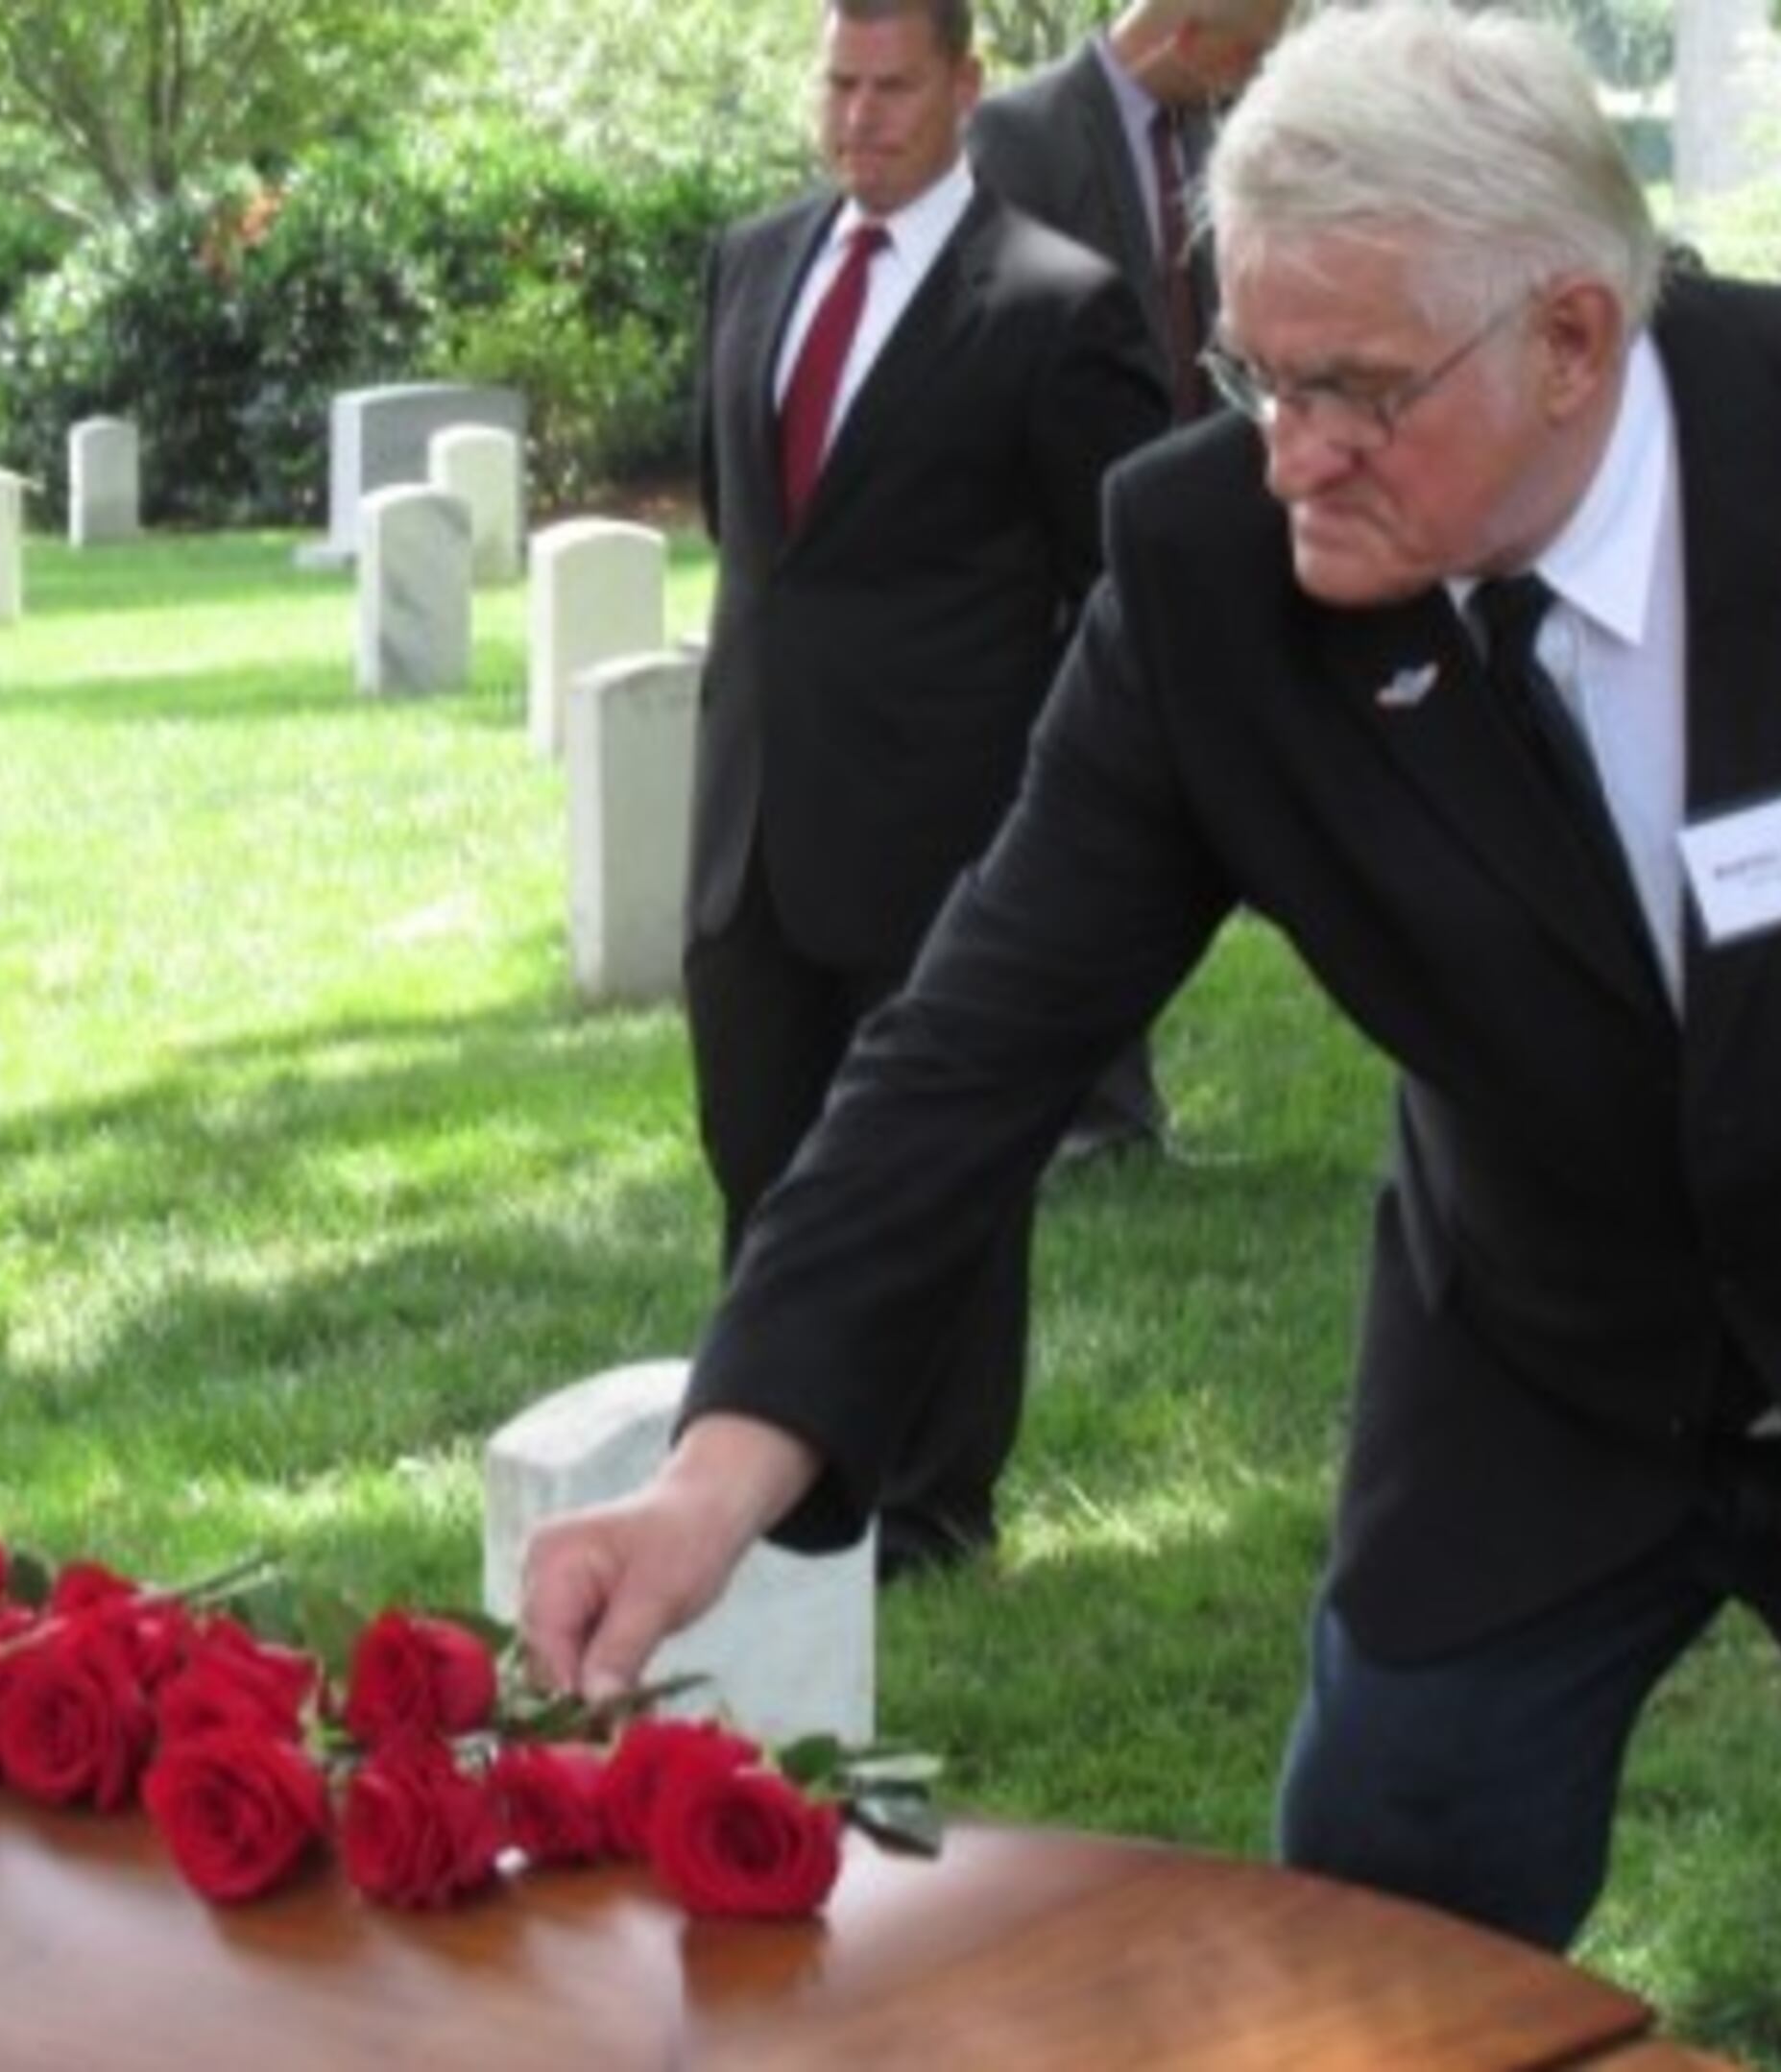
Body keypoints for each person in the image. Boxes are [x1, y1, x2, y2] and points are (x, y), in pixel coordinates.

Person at [528, 3, 1781, 2061]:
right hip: (1548, 1370)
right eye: (1258, 375)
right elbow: (971, 1041)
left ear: (1570, 337)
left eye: (1357, 392)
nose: (1291, 454)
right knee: (1378, 1948)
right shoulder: (1211, 575)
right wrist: (714, 1475)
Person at [679, 0, 1167, 1582]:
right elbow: (744, 527)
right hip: (752, 813)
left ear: (966, 90)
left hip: (943, 819)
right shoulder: (751, 262)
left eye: (895, 89)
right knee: (758, 1145)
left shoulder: (1053, 302)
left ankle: (935, 1501)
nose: (860, 117)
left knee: (937, 1171)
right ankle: (775, 1474)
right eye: (838, 83)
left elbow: (1120, 585)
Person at [968, 0, 1295, 1167]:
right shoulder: (1012, 138)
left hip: (1189, 536)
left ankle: (1116, 1115)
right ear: (1192, 34)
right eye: (1253, 54)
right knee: (1072, 838)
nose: (1257, 78)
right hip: (1051, 554)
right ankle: (1084, 1119)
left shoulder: (1217, 144)